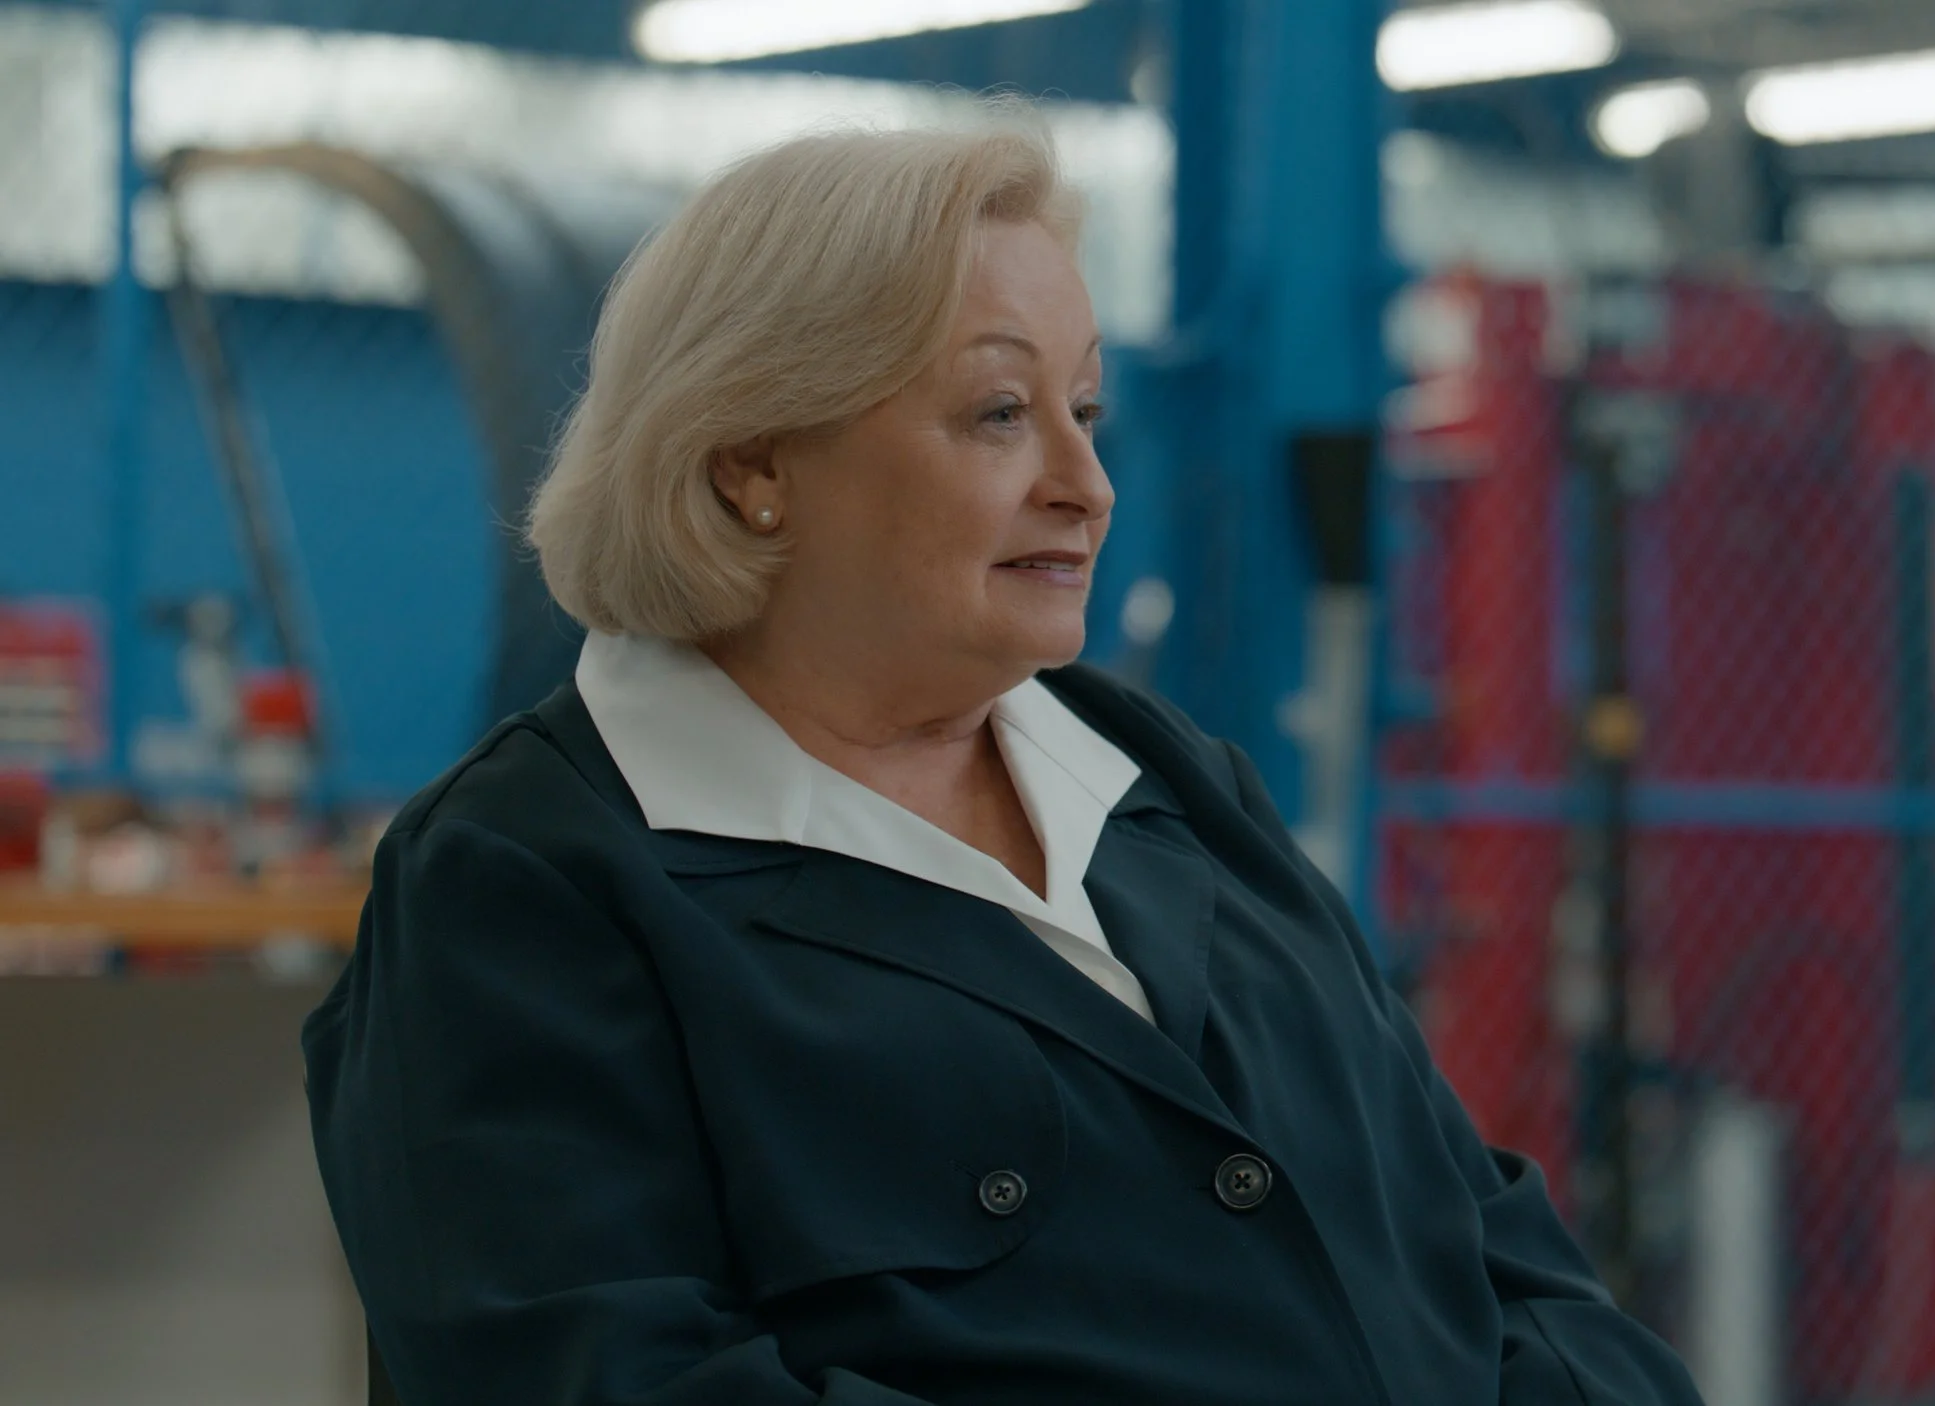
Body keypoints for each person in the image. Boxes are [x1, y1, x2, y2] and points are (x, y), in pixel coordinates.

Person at [302, 115, 1706, 1406]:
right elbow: (603, 1376)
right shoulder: (525, 884)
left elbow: (1490, 1238)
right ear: (751, 462)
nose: (1085, 485)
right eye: (996, 413)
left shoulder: (1162, 778)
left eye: (1084, 413)